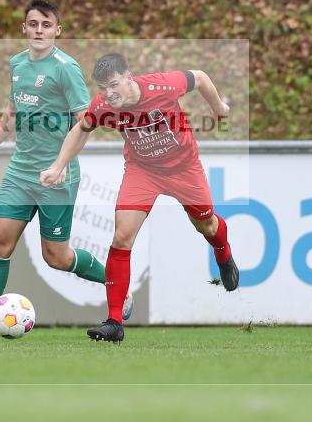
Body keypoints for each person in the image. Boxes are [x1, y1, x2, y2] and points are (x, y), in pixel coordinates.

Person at [0, 1, 131, 343]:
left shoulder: (65, 68)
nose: (39, 30)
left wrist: (60, 165)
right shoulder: (17, 64)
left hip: (57, 177)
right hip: (20, 174)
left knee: (56, 256)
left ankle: (116, 287)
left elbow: (87, 120)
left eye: (46, 24)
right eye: (33, 24)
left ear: (57, 30)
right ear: (24, 28)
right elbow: (12, 110)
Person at [40, 52, 239, 343]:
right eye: (104, 88)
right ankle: (114, 322)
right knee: (122, 236)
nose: (109, 93)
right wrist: (58, 165)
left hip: (184, 168)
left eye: (114, 84)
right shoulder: (105, 105)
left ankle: (223, 253)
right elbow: (81, 130)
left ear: (129, 77)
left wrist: (218, 107)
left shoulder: (163, 86)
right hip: (142, 171)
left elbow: (200, 77)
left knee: (206, 226)